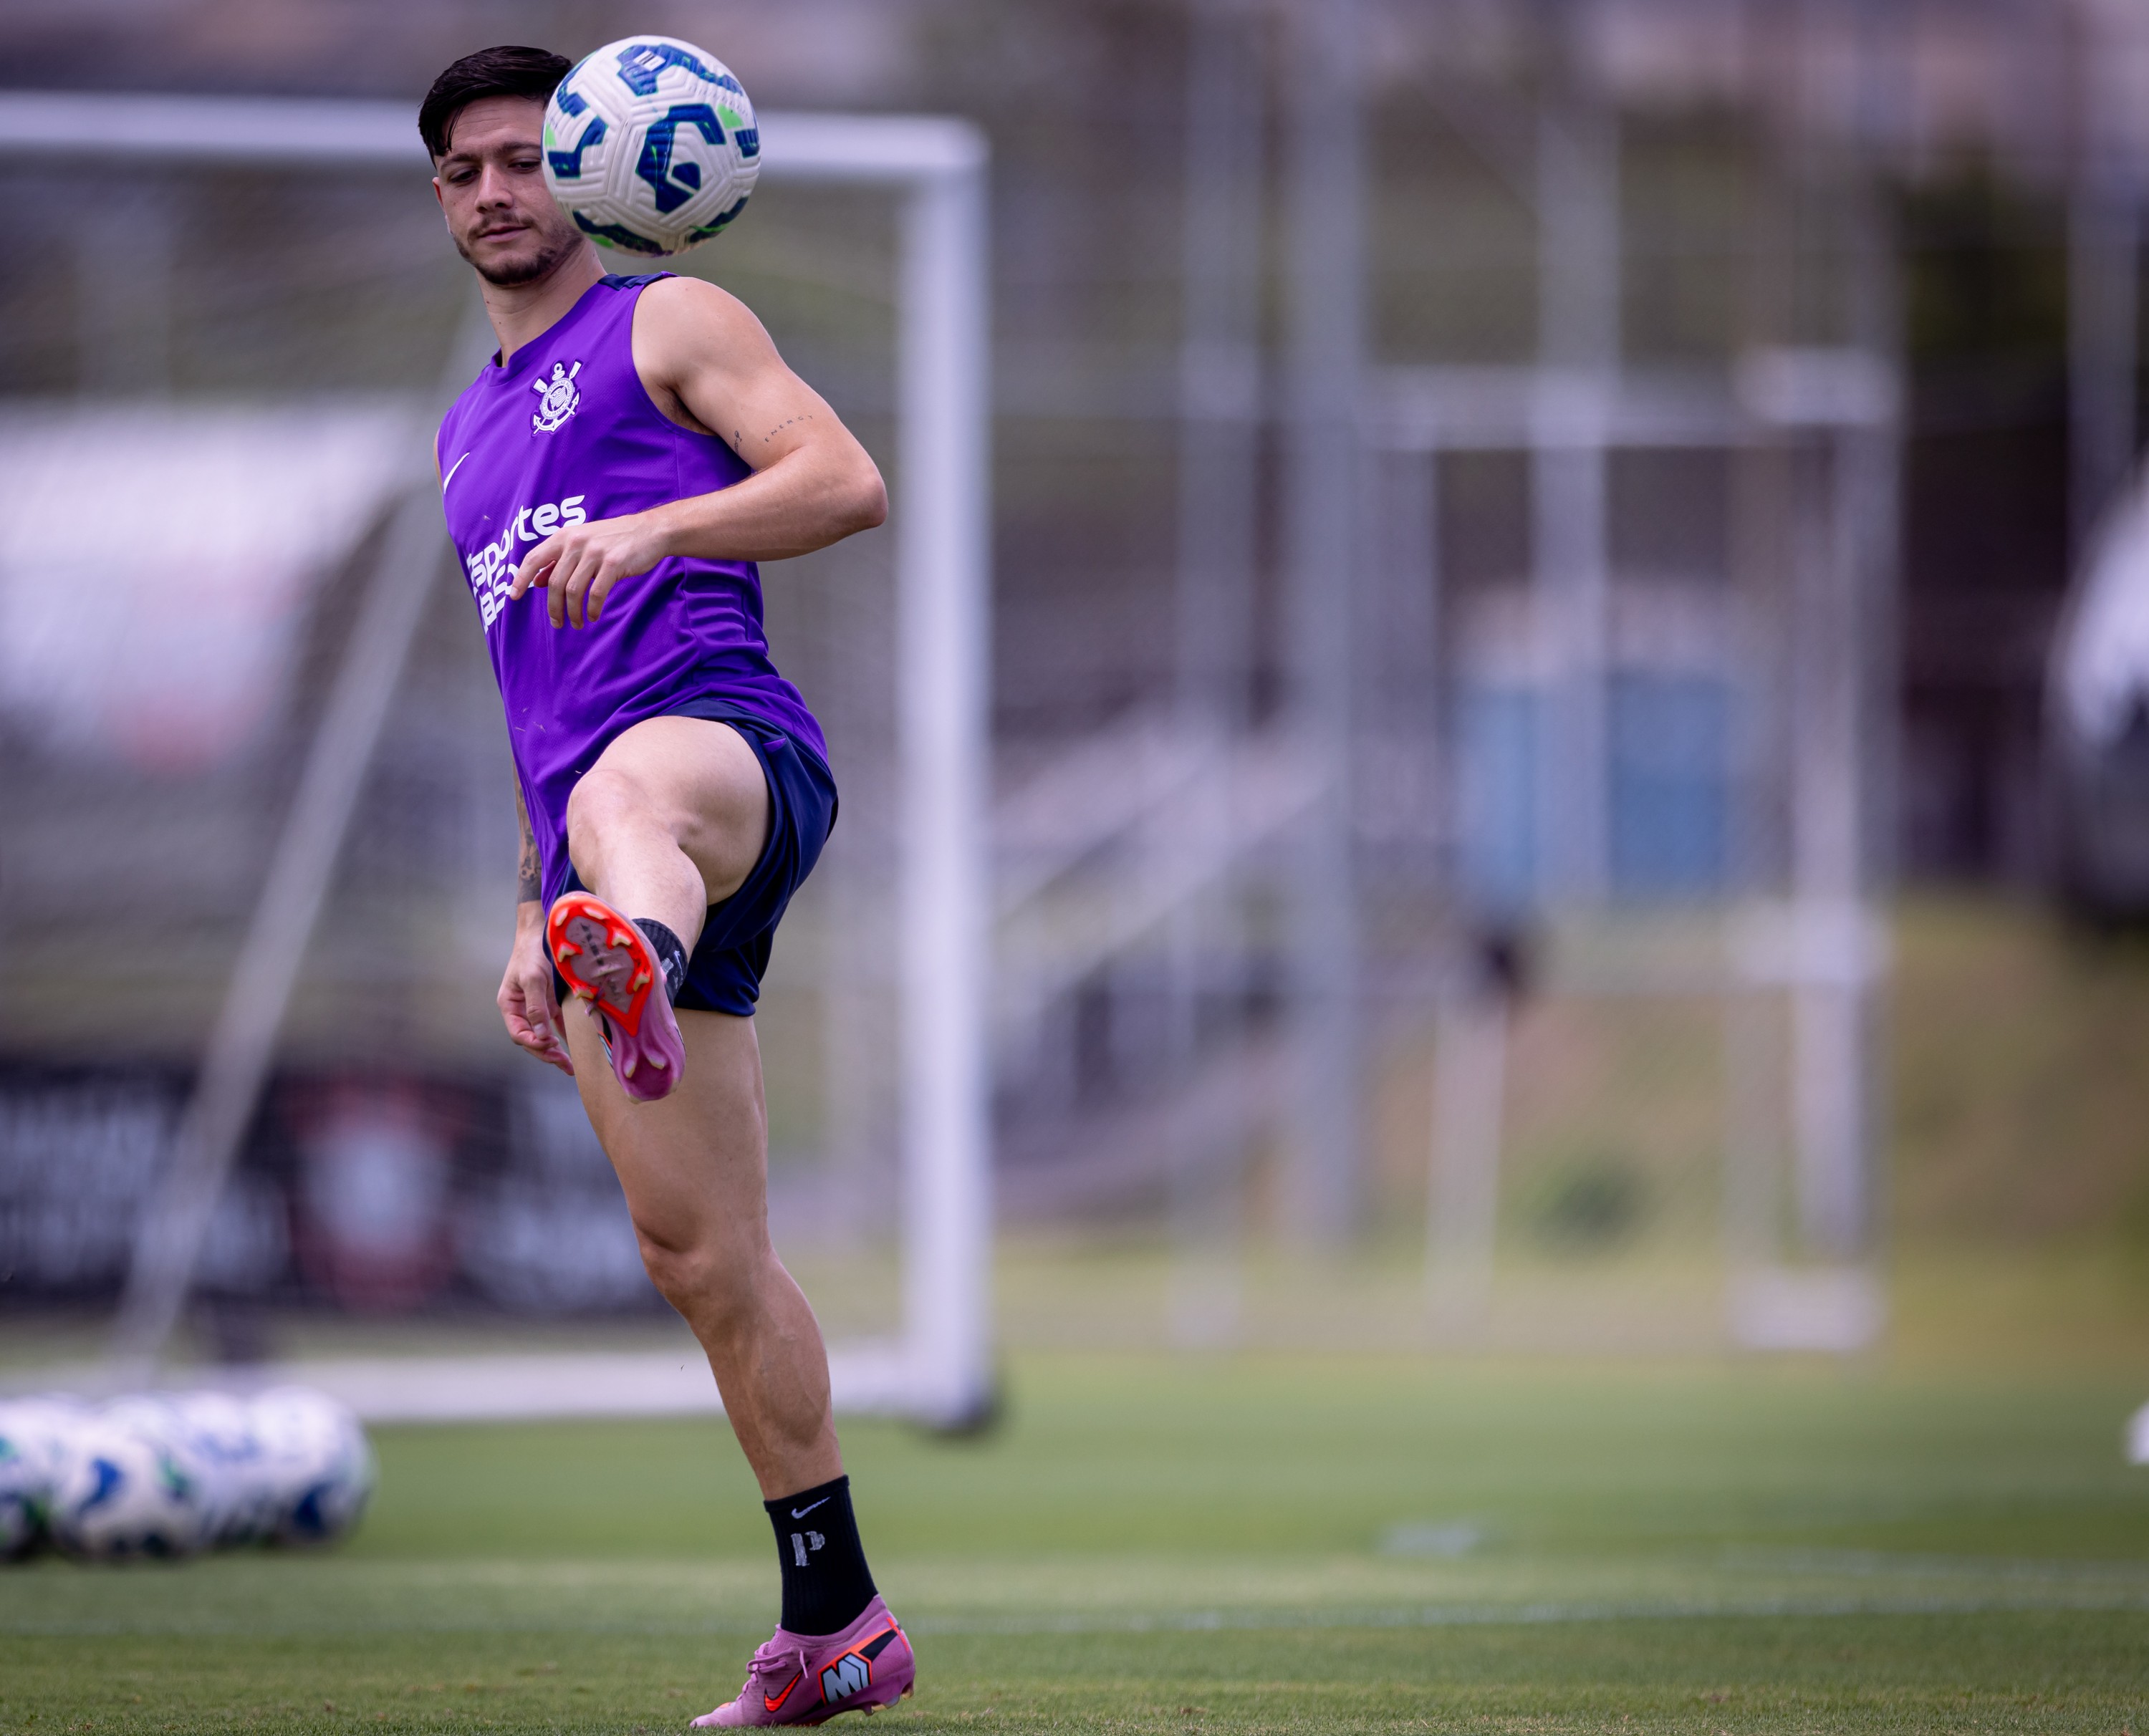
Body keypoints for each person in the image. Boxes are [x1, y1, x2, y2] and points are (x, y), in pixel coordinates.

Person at [420, 45, 913, 1727]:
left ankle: (624, 937)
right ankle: (836, 1627)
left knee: (634, 784)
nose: (497, 189)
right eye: (465, 169)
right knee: (701, 1256)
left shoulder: (669, 319)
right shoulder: (463, 436)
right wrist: (520, 899)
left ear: (583, 165)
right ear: (441, 199)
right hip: (588, 845)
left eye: (521, 158)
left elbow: (846, 482)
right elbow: (524, 702)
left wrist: (660, 533)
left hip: (724, 766)